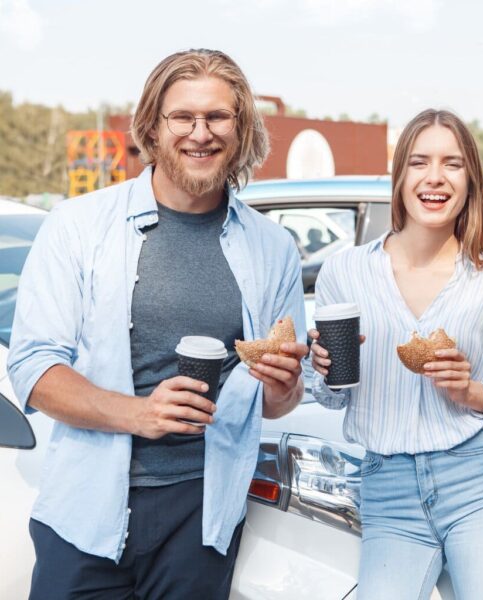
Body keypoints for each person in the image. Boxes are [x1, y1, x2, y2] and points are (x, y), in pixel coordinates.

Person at [8, 49, 308, 599]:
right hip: (85, 512)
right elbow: (33, 367)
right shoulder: (77, 226)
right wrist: (139, 414)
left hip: (202, 515)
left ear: (240, 130)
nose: (201, 133)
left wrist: (284, 386)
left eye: (218, 117)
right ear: (152, 124)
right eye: (183, 118)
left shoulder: (272, 248)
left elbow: (276, 401)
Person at [309, 108, 483, 599]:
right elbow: (331, 399)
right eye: (419, 162)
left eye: (452, 164)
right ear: (400, 176)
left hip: (473, 480)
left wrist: (471, 391)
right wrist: (325, 371)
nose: (434, 178)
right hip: (387, 489)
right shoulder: (345, 272)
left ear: (470, 180)